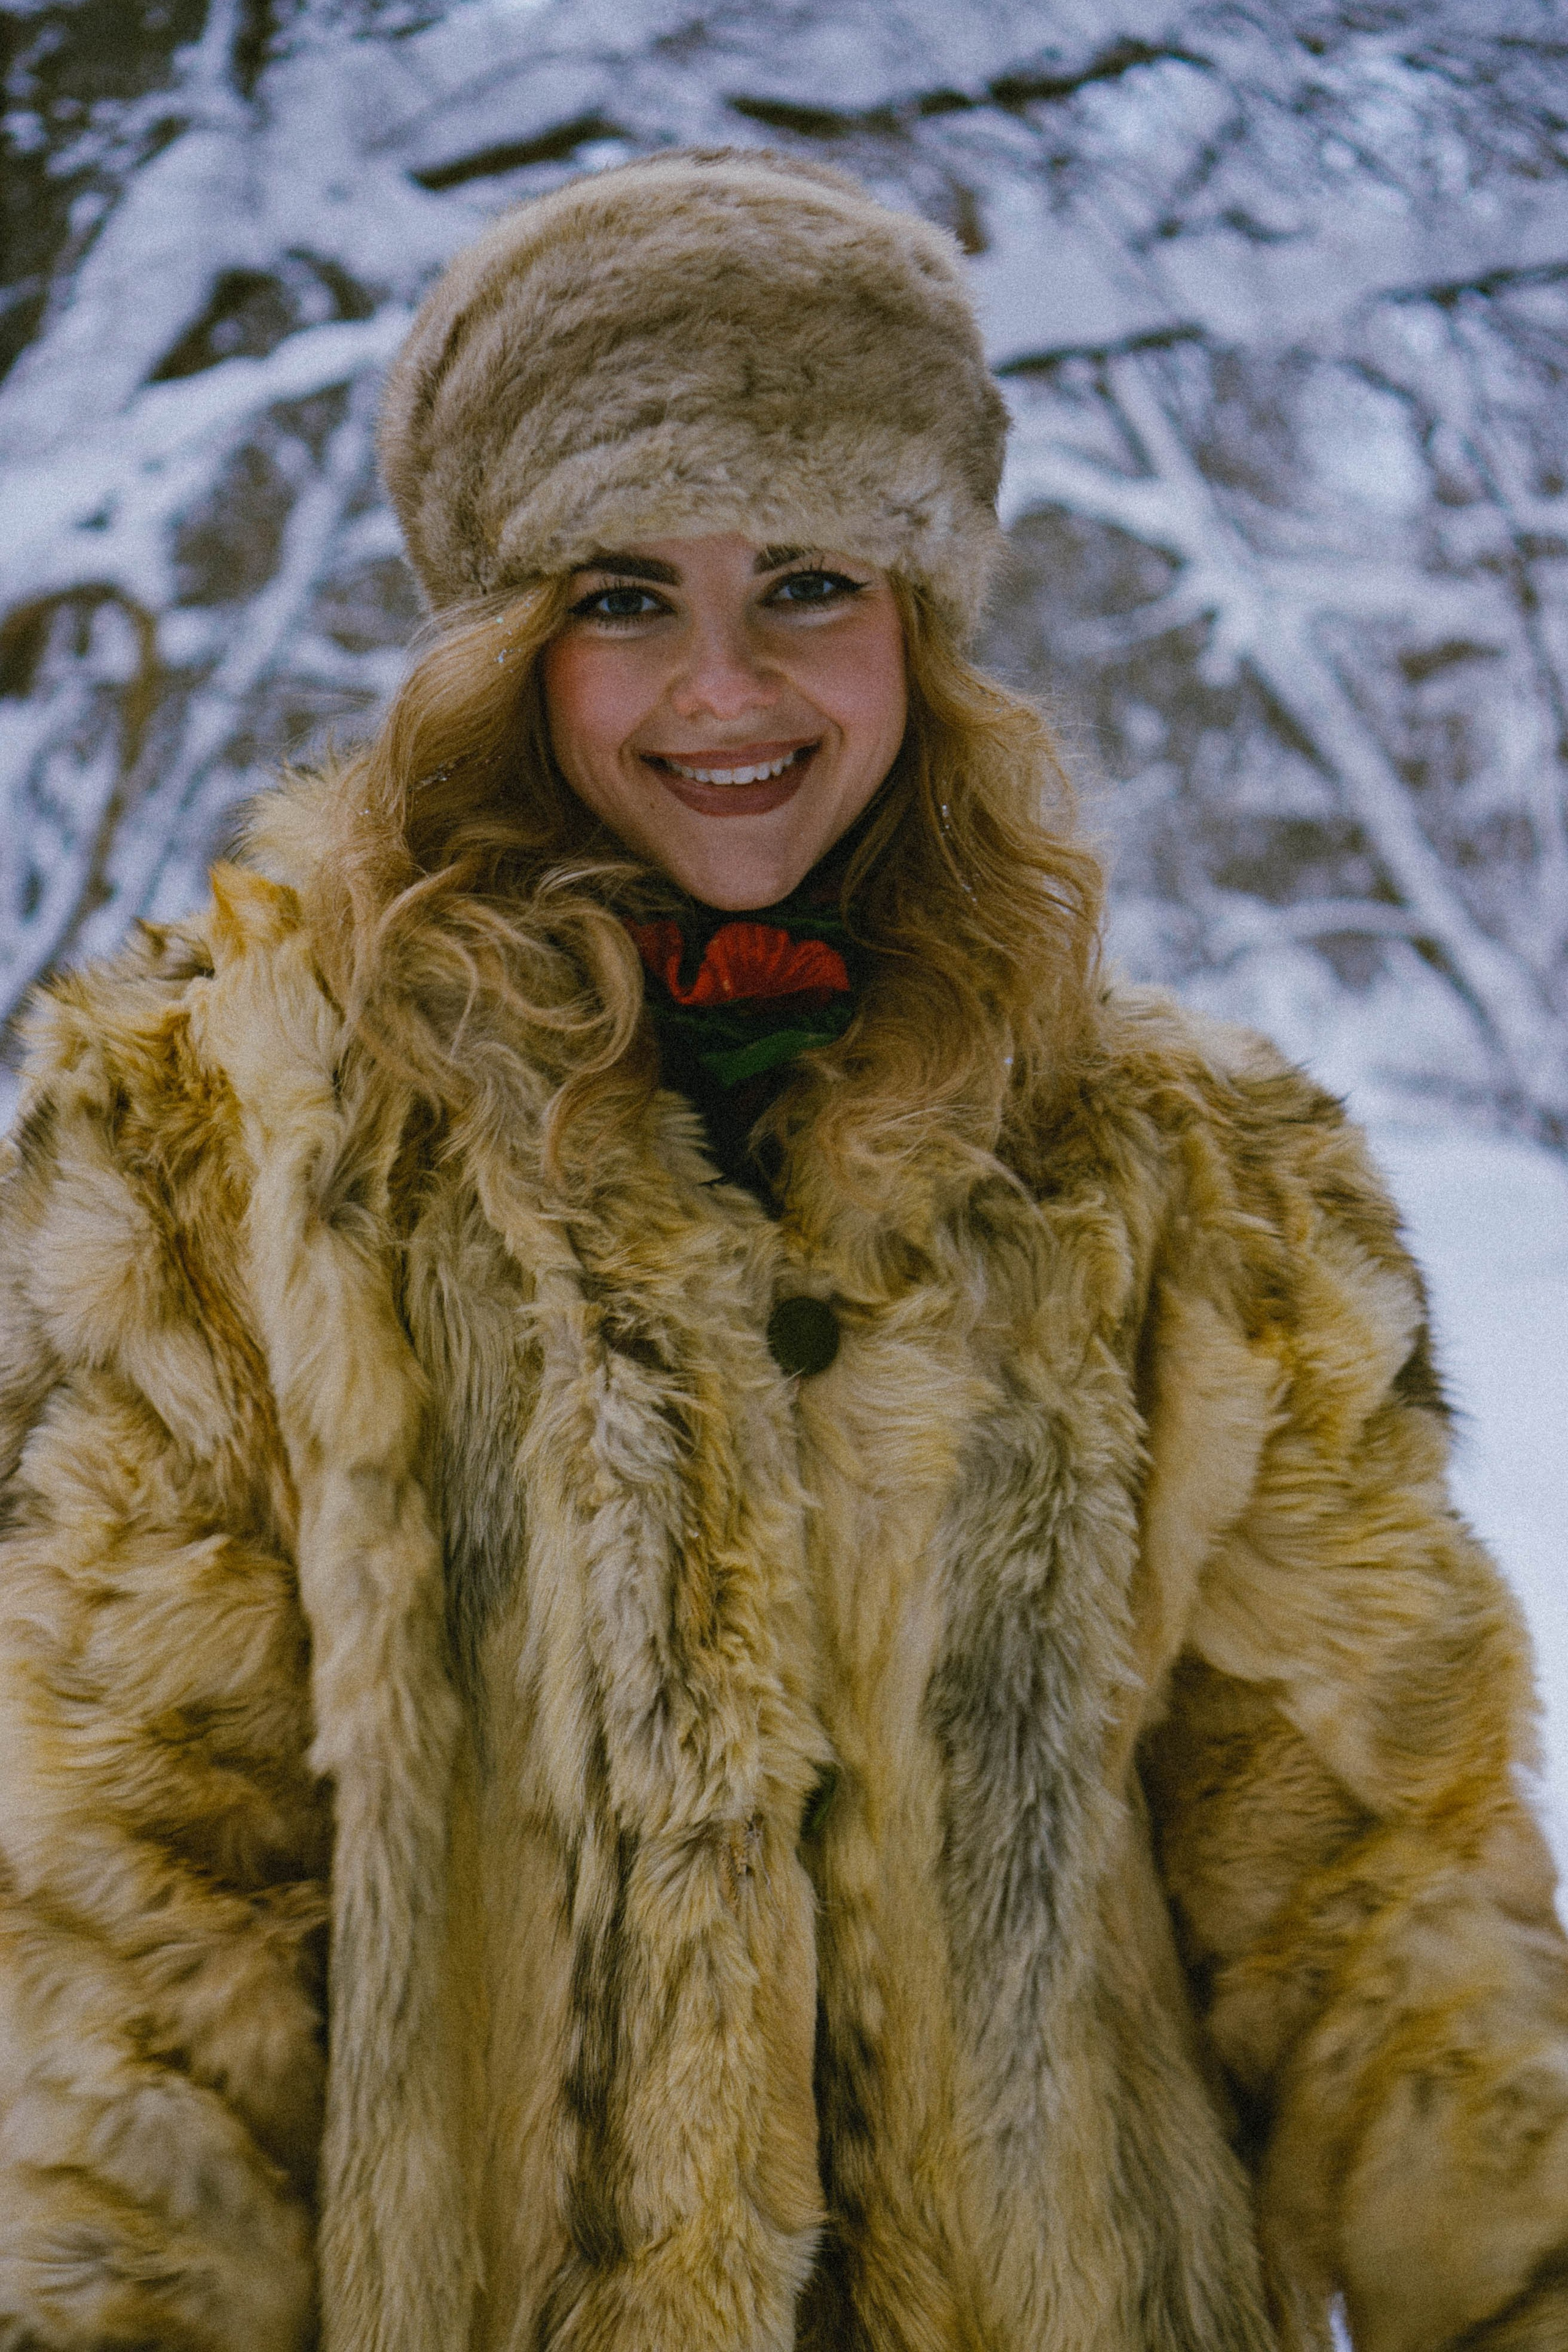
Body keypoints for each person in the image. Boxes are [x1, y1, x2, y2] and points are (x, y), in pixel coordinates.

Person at [0, 149, 1564, 2352]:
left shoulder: (1191, 1175)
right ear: (503, 643)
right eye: (624, 596)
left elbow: (1381, 1899)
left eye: (809, 581)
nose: (723, 689)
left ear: (921, 616)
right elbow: (134, 1932)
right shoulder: (226, 1150)